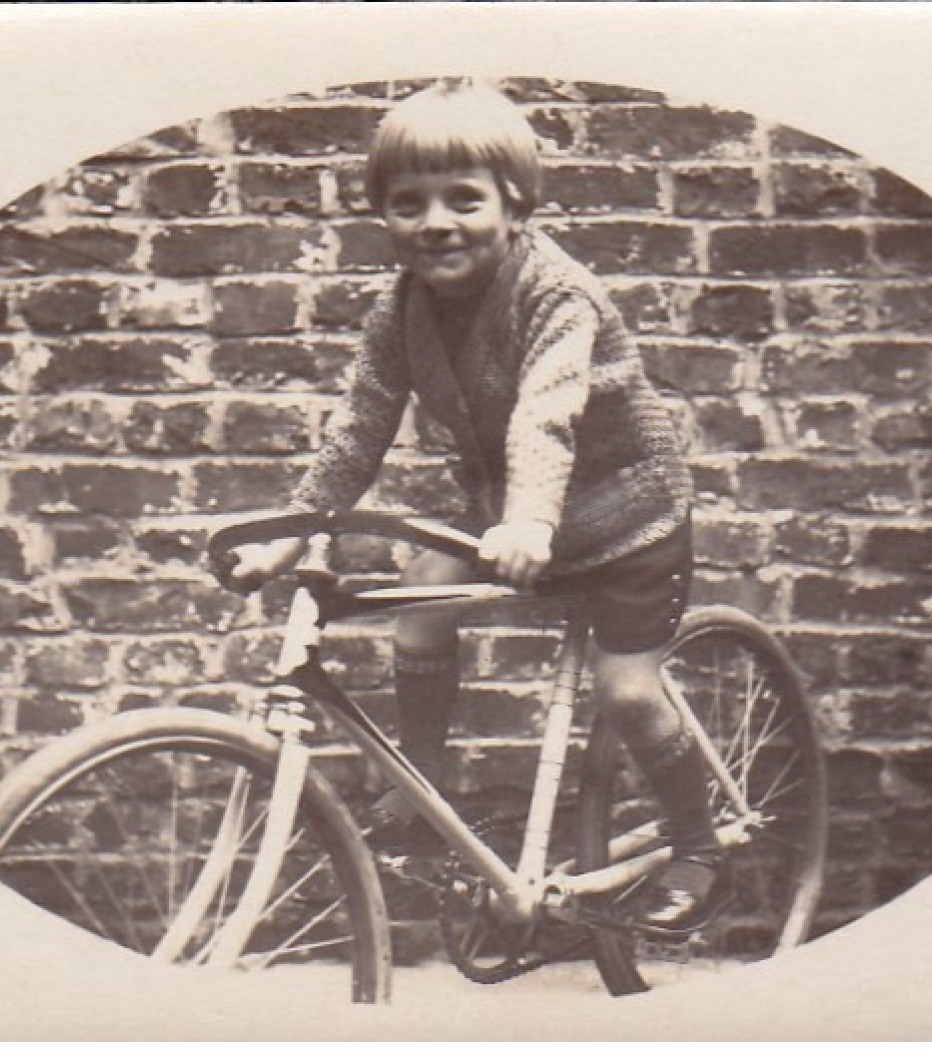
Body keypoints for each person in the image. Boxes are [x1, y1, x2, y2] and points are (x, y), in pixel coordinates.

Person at [229, 82, 719, 935]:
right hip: (505, 516)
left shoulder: (556, 293)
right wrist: (290, 535)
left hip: (621, 518)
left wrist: (530, 521)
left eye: (464, 200)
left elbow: (548, 410)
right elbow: (359, 427)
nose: (436, 223)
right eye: (408, 204)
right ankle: (418, 789)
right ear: (382, 214)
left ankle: (698, 844)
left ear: (514, 204)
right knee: (416, 611)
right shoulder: (400, 309)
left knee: (629, 694)